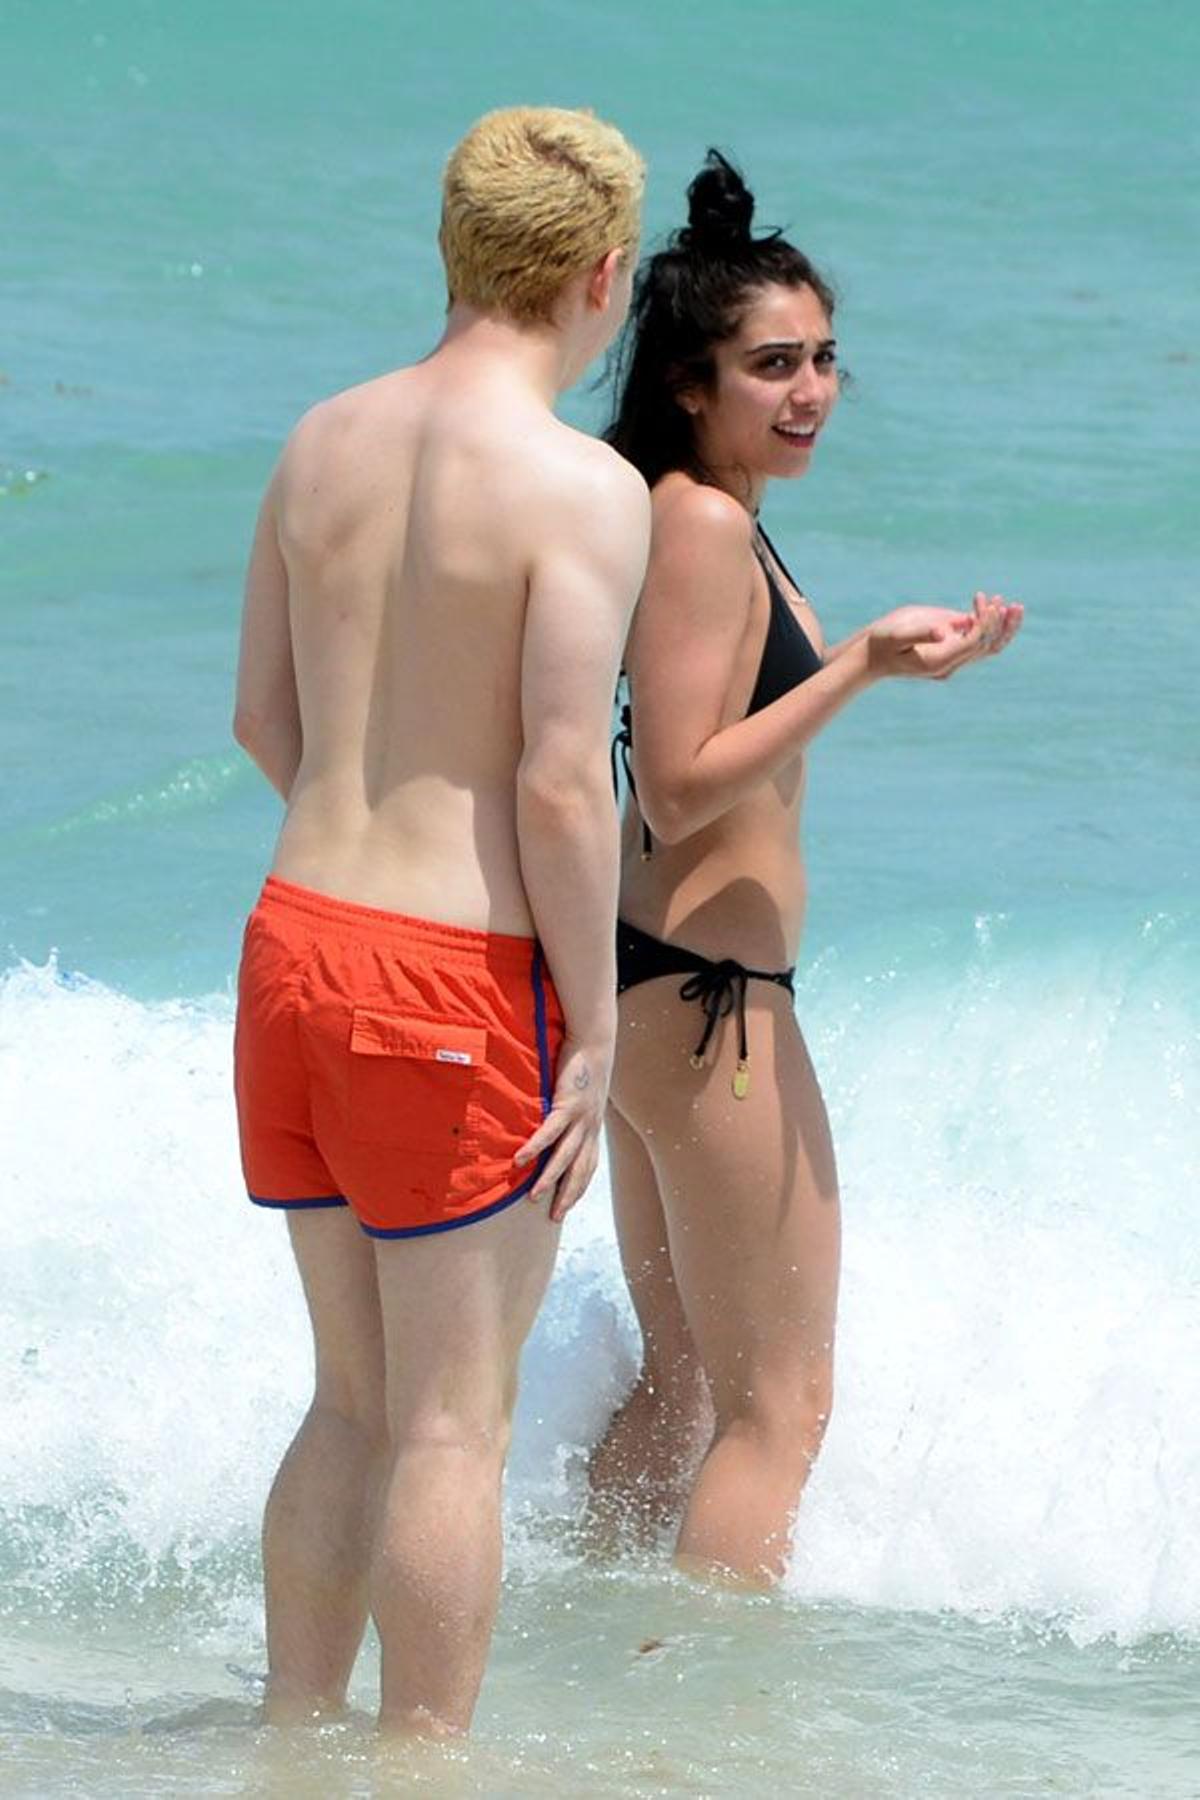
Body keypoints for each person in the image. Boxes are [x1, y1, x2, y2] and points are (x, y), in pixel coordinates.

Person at [231, 106, 648, 1735]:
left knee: (350, 1399)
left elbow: (263, 716)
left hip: (294, 940)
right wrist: (598, 1028)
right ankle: (417, 1773)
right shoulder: (579, 488)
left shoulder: (321, 437)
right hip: (454, 978)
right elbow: (558, 783)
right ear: (602, 275)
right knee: (451, 1430)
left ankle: (290, 1742)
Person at [587, 151, 1022, 1586]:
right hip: (711, 1004)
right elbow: (678, 783)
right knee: (781, 1410)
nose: (812, 389)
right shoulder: (701, 522)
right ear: (692, 382)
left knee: (688, 1388)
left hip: (664, 991)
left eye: (825, 357)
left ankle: (600, 1664)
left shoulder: (707, 516)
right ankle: (717, 1725)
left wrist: (882, 668)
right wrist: (859, 666)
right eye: (774, 364)